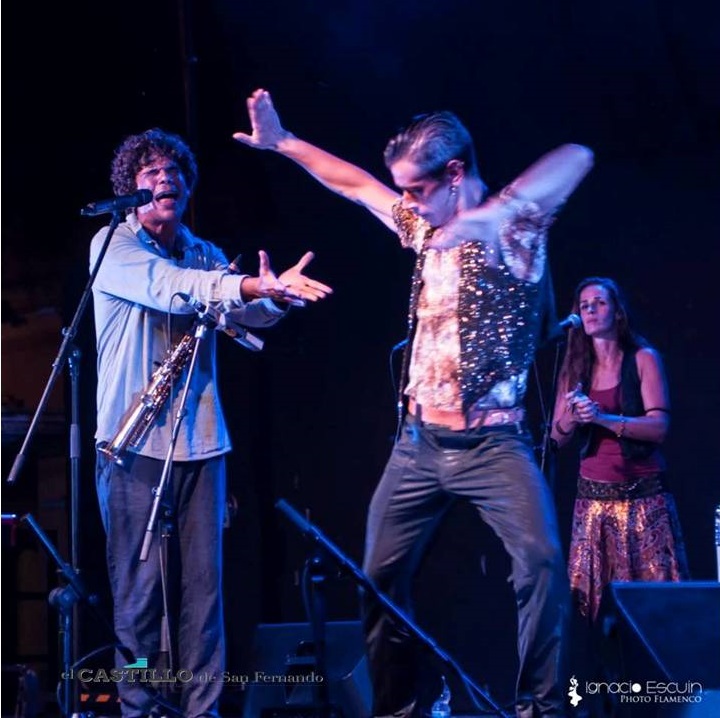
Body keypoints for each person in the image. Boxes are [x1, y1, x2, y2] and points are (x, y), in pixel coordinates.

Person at [234, 89, 594, 718]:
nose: (408, 203)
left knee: (541, 566)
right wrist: (283, 141)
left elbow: (576, 157)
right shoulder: (423, 225)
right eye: (404, 192)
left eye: (417, 190)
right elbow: (356, 186)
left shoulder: (516, 227)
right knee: (378, 577)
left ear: (455, 173)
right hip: (420, 444)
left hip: (493, 445)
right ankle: (397, 710)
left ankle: (541, 710)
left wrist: (489, 216)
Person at [89, 127, 332, 718]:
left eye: (174, 171)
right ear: (130, 188)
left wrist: (272, 297)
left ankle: (204, 709)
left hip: (199, 442)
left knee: (205, 593)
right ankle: (140, 704)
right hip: (133, 442)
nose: (165, 179)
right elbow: (169, 287)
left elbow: (243, 312)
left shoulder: (203, 252)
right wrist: (242, 285)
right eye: (151, 172)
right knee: (139, 597)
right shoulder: (112, 245)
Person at [551, 276, 689, 623]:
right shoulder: (574, 368)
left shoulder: (643, 358)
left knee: (656, 610)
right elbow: (556, 438)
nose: (590, 310)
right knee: (597, 614)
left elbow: (659, 427)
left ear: (617, 311)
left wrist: (603, 418)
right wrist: (572, 416)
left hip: (645, 499)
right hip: (593, 505)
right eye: (584, 306)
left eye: (599, 303)